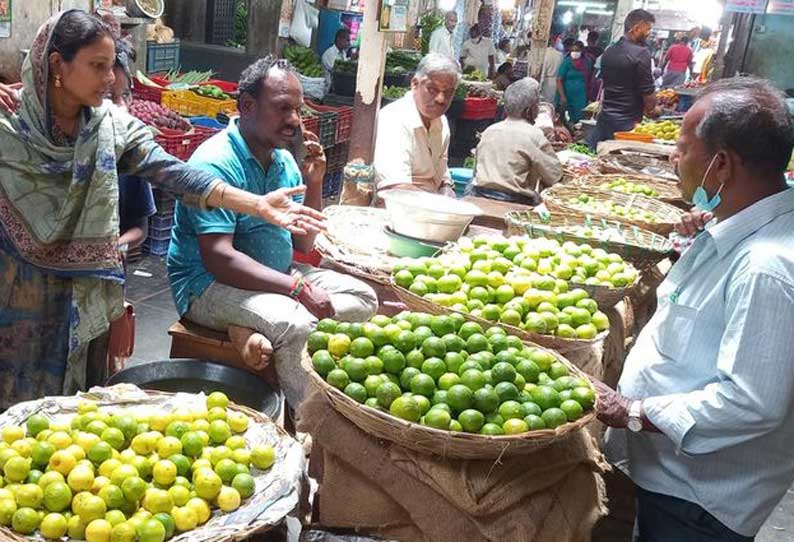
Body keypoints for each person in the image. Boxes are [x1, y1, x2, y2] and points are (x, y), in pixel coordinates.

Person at [0, 10, 324, 410]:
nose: (109, 79)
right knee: (15, 405)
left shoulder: (111, 129)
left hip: (85, 296)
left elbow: (175, 175)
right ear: (56, 65)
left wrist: (255, 204)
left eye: (110, 66)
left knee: (76, 417)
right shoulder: (7, 127)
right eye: (97, 66)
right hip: (18, 296)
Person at [597, 77, 794, 542]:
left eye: (683, 148)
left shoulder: (766, 267)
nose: (674, 158)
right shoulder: (747, 224)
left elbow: (751, 402)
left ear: (721, 164)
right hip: (676, 478)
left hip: (701, 501)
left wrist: (633, 411)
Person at [167, 57, 377, 409]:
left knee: (366, 298)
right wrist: (297, 290)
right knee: (297, 324)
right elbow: (219, 258)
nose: (294, 120)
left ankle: (246, 326)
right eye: (283, 109)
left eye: (297, 109)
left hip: (277, 275)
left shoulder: (282, 161)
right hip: (206, 286)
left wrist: (314, 182)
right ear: (247, 106)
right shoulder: (215, 161)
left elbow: (303, 242)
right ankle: (309, 422)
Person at [374, 53, 458, 197]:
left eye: (448, 92)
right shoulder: (394, 118)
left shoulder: (441, 122)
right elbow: (395, 188)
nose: (441, 99)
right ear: (415, 84)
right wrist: (441, 204)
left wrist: (447, 187)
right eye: (432, 89)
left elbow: (442, 170)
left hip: (432, 206)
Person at [469, 77, 562, 205]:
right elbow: (554, 175)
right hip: (516, 201)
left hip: (479, 195)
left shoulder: (490, 130)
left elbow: (475, 171)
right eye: (537, 105)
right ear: (529, 111)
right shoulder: (534, 135)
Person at [106, 38, 156, 254]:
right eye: (108, 96)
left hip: (110, 273)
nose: (122, 107)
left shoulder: (130, 151)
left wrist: (113, 249)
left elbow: (139, 229)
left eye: (125, 94)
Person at [588, 9, 659, 150]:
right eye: (648, 29)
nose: (649, 33)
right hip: (626, 126)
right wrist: (654, 109)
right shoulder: (641, 54)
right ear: (637, 28)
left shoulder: (609, 51)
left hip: (604, 121)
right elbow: (648, 96)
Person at [557, 41, 592, 127]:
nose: (574, 52)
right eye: (572, 50)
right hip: (567, 94)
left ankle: (577, 134)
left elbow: (589, 78)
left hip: (581, 95)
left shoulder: (587, 62)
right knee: (566, 117)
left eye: (577, 50)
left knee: (579, 116)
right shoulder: (567, 62)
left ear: (582, 51)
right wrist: (562, 96)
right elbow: (559, 79)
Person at [540, 37, 564, 103]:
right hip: (556, 82)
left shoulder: (544, 54)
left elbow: (543, 70)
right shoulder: (560, 55)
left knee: (544, 104)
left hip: (546, 82)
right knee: (552, 104)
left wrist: (540, 85)